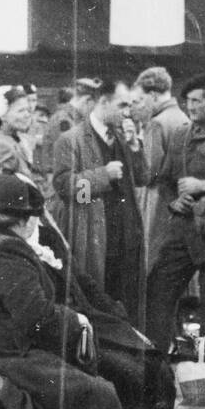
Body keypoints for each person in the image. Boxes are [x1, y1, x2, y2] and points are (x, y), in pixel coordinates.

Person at [0, 174, 123, 409]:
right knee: (100, 393)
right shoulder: (6, 250)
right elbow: (37, 319)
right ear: (25, 221)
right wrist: (76, 321)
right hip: (2, 357)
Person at [48, 78, 147, 326]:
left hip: (125, 242)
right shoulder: (71, 139)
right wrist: (103, 176)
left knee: (126, 309)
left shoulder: (123, 138)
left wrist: (135, 146)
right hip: (96, 241)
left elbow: (143, 178)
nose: (127, 112)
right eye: (122, 105)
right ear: (103, 102)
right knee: (98, 310)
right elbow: (65, 187)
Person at [144, 73, 205, 347]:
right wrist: (173, 201)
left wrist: (203, 184)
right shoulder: (181, 134)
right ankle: (157, 356)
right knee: (158, 289)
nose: (191, 107)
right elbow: (166, 178)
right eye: (188, 101)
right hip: (181, 228)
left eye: (197, 101)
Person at [131, 66, 189, 277]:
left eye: (142, 98)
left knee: (154, 257)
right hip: (180, 195)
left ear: (153, 95)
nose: (141, 104)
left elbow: (149, 172)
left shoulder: (156, 123)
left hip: (158, 200)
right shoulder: (182, 116)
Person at [0, 84, 39, 183]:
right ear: (2, 115)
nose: (27, 115)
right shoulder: (2, 146)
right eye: (21, 111)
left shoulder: (11, 139)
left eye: (28, 110)